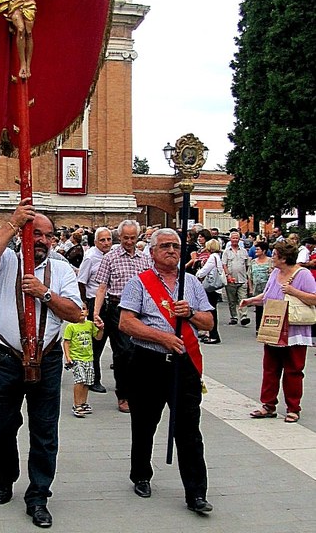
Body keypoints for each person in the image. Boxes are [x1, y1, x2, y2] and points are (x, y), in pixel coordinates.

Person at [0, 199, 83, 529]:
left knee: (44, 432)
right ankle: (6, 475)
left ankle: (38, 495)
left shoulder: (62, 269)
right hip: (6, 358)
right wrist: (12, 223)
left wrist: (44, 293)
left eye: (47, 236)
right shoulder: (7, 260)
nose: (40, 240)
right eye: (34, 233)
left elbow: (75, 312)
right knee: (1, 427)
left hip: (48, 358)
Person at [119, 228, 214, 514]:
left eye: (175, 246)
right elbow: (126, 323)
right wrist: (162, 338)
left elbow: (209, 322)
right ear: (152, 252)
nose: (171, 250)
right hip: (149, 361)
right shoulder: (139, 283)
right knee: (145, 423)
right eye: (164, 246)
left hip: (184, 365)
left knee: (188, 429)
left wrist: (191, 314)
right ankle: (141, 474)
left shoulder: (193, 284)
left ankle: (196, 492)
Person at [241, 240, 316, 422]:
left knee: (293, 370)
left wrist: (293, 291)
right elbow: (268, 296)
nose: (272, 258)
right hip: (274, 326)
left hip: (294, 330)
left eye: (275, 255)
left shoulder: (303, 274)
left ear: (283, 258)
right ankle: (268, 405)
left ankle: (293, 408)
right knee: (270, 368)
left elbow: (314, 299)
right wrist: (251, 301)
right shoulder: (275, 272)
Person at [93, 219, 152, 413]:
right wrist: (96, 312)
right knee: (124, 352)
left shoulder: (145, 259)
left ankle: (138, 390)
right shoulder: (110, 257)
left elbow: (151, 287)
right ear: (120, 237)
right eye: (125, 238)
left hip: (140, 310)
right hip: (117, 308)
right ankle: (123, 394)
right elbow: (102, 287)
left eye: (132, 238)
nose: (129, 241)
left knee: (140, 351)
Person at [77, 227, 113, 393]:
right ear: (96, 242)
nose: (106, 243)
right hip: (94, 302)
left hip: (112, 302)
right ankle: (93, 379)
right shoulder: (90, 258)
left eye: (108, 239)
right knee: (96, 344)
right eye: (102, 240)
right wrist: (85, 302)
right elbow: (81, 282)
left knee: (121, 345)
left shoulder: (113, 255)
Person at [63, 302, 103, 417]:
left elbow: (98, 337)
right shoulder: (71, 326)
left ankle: (83, 403)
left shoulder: (90, 325)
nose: (81, 311)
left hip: (88, 358)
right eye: (78, 309)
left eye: (84, 309)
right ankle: (77, 405)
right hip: (77, 358)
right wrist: (68, 357)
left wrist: (101, 329)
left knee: (87, 382)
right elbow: (66, 342)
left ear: (88, 312)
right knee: (79, 380)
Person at [196, 239, 224, 343]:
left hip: (211, 287)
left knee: (210, 311)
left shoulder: (212, 257)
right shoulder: (218, 257)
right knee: (212, 310)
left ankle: (213, 335)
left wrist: (197, 274)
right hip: (216, 288)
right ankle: (210, 333)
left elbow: (203, 272)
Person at [222, 230, 250, 326]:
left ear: (239, 240)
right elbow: (224, 264)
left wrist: (246, 275)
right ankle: (234, 316)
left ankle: (244, 316)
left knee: (243, 298)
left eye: (236, 238)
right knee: (232, 300)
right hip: (231, 279)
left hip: (242, 279)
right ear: (230, 239)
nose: (235, 240)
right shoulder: (226, 252)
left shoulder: (244, 251)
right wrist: (228, 275)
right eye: (233, 238)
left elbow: (247, 265)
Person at [247, 240, 273, 331]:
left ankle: (268, 328)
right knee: (258, 309)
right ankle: (258, 328)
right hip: (257, 288)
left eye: (257, 249)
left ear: (264, 251)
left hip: (268, 288)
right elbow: (250, 276)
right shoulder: (253, 262)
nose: (255, 251)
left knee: (268, 309)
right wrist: (250, 288)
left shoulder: (270, 261)